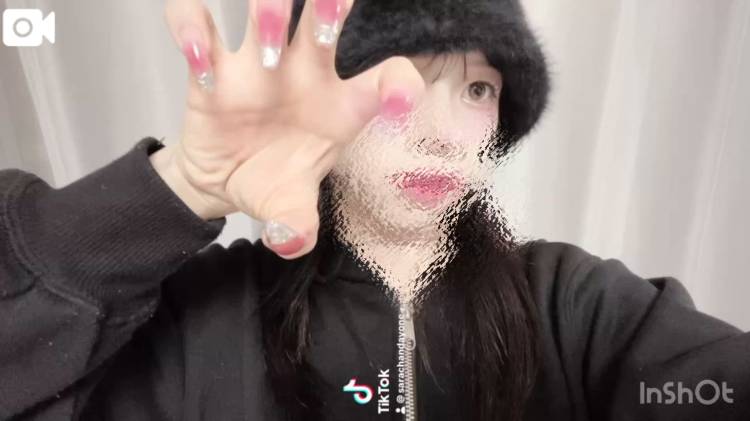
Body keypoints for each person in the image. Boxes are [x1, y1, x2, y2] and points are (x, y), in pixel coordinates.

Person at [0, 0, 748, 420]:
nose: (443, 135)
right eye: (399, 83)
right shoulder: (202, 318)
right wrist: (180, 186)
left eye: (478, 90)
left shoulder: (571, 303)